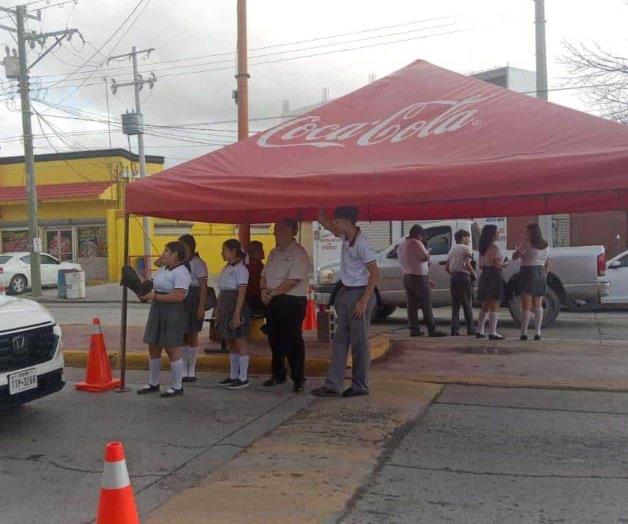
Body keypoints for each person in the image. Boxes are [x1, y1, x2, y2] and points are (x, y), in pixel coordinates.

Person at [311, 206, 380, 398]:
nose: (335, 224)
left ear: (347, 222)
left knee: (359, 343)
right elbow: (325, 222)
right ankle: (333, 385)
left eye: (338, 221)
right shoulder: (345, 236)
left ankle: (360, 385)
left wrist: (364, 301)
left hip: (359, 294)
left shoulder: (362, 244)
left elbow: (375, 274)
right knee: (340, 341)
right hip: (346, 292)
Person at [260, 218, 310, 393]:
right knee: (274, 339)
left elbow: (293, 280)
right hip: (272, 300)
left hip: (291, 301)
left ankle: (298, 377)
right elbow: (264, 275)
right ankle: (278, 373)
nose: (275, 233)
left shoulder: (299, 253)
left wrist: (272, 293)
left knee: (292, 340)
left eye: (279, 230)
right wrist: (263, 291)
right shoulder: (274, 253)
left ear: (291, 231)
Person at [138, 241, 192, 398]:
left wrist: (154, 296)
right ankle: (153, 383)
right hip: (157, 309)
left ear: (175, 254)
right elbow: (152, 282)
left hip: (172, 311)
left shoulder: (182, 272)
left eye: (166, 251)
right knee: (153, 345)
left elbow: (179, 296)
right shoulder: (163, 269)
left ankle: (177, 385)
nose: (163, 253)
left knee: (171, 346)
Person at [397, 225, 446, 337]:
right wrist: (428, 252)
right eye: (423, 236)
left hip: (407, 277)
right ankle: (432, 330)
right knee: (426, 304)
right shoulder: (416, 243)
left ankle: (414, 330)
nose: (423, 239)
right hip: (418, 277)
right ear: (419, 234)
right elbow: (424, 258)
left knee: (412, 305)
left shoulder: (402, 245)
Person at [215, 239, 251, 390]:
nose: (222, 253)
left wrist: (237, 313)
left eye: (225, 250)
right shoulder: (227, 267)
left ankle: (243, 377)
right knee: (230, 341)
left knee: (240, 340)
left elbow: (241, 292)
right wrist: (218, 308)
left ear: (233, 251)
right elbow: (222, 290)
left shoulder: (241, 269)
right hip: (225, 304)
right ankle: (233, 375)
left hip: (235, 305)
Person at [177, 234, 208, 383]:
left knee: (192, 335)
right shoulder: (177, 262)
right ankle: (184, 368)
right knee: (182, 334)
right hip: (180, 297)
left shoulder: (198, 263)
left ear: (190, 247)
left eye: (183, 246)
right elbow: (159, 263)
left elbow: (203, 287)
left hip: (193, 298)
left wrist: (201, 307)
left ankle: (192, 369)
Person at [513, 223, 551, 341]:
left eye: (527, 231)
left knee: (526, 306)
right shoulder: (545, 245)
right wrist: (545, 274)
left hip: (527, 272)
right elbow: (548, 263)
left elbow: (515, 256)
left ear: (531, 232)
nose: (526, 234)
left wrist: (518, 248)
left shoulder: (527, 244)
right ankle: (538, 332)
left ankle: (524, 332)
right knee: (538, 304)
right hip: (540, 272)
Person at [476, 224, 507, 340]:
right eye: (497, 232)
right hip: (494, 275)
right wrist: (505, 264)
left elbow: (480, 265)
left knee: (485, 305)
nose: (498, 233)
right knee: (495, 304)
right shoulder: (495, 247)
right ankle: (493, 332)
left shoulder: (482, 248)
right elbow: (497, 264)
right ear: (492, 234)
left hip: (485, 275)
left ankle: (480, 330)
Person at [446, 229, 476, 336]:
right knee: (467, 303)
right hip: (464, 277)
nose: (468, 239)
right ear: (463, 237)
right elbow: (468, 264)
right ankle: (471, 329)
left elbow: (447, 267)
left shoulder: (451, 250)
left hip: (454, 278)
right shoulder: (466, 249)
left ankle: (454, 329)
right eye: (467, 237)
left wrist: (454, 273)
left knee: (455, 304)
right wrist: (474, 274)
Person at [246, 240, 266, 316]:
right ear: (254, 252)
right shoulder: (253, 266)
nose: (263, 252)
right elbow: (256, 283)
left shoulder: (258, 264)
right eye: (261, 249)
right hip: (254, 299)